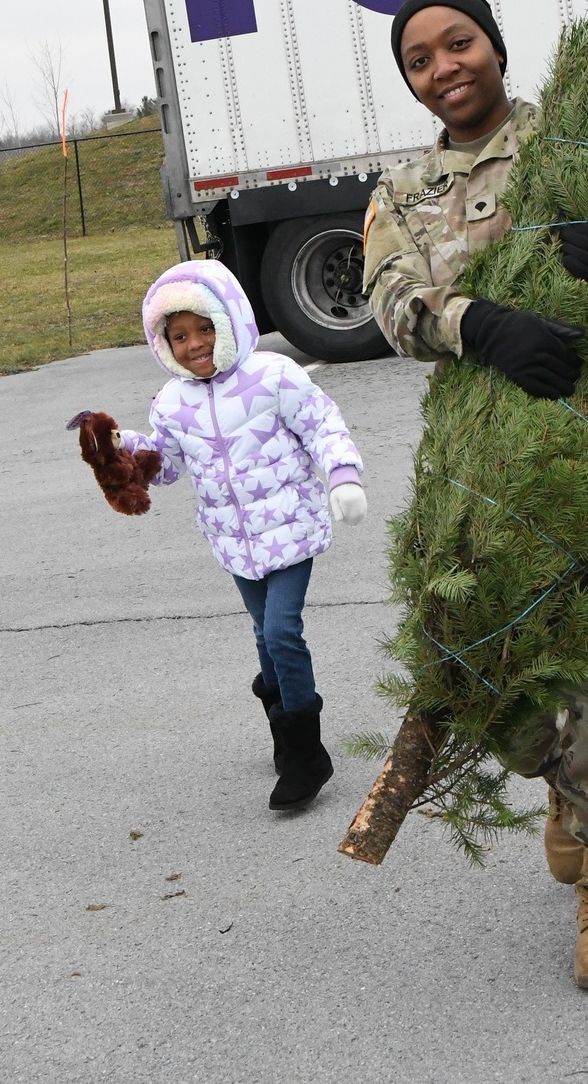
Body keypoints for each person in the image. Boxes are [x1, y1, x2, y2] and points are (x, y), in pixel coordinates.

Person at [362, 0, 588, 991]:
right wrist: (479, 324)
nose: (445, 67)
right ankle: (564, 782)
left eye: (459, 42)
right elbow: (390, 303)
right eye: (421, 59)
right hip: (489, 475)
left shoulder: (583, 141)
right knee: (505, 679)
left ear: (496, 46)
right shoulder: (405, 190)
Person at [85, 259, 366, 811]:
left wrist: (343, 476)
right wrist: (119, 447)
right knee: (265, 637)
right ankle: (285, 735)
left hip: (290, 530)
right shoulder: (173, 401)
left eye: (205, 328)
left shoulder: (274, 375)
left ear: (230, 320)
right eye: (179, 335)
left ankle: (308, 756)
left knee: (283, 631)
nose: (194, 345)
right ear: (164, 343)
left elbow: (322, 424)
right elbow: (164, 465)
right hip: (235, 543)